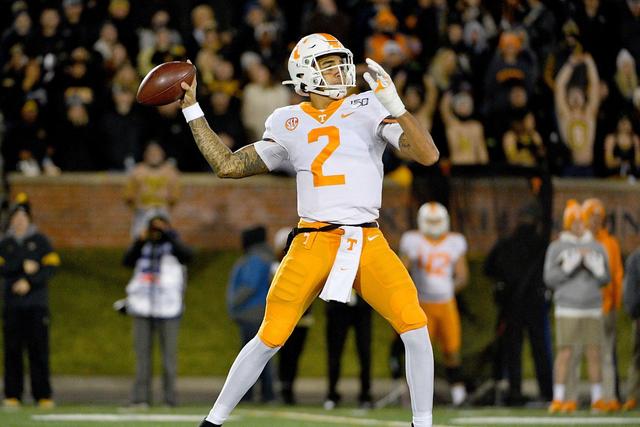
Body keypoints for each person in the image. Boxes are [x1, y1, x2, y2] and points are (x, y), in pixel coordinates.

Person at [180, 32, 439, 427]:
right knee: (270, 336)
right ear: (304, 73)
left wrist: (398, 107)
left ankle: (423, 424)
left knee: (415, 327)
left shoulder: (368, 106)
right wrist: (192, 109)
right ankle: (212, 422)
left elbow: (427, 154)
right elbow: (228, 165)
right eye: (327, 64)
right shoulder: (287, 121)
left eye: (340, 62)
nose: (339, 71)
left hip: (366, 238)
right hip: (312, 238)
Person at [399, 202, 468, 406]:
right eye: (430, 221)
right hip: (422, 304)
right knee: (418, 351)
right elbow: (402, 272)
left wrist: (446, 289)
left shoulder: (454, 242)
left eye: (437, 221)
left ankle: (459, 395)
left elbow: (463, 276)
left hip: (446, 303)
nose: (434, 225)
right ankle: (412, 395)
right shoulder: (413, 241)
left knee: (452, 351)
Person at [544, 200, 610, 413]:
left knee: (594, 352)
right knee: (565, 353)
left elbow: (606, 278)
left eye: (582, 221)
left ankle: (597, 398)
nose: (580, 226)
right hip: (567, 307)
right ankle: (559, 398)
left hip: (592, 307)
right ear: (568, 223)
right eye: (576, 222)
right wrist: (567, 268)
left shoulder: (596, 246)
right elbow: (549, 279)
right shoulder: (557, 247)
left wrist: (597, 269)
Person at [484, 202, 553, 404]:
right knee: (540, 348)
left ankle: (515, 391)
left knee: (513, 350)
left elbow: (488, 268)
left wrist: (504, 282)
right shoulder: (541, 245)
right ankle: (547, 391)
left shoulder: (506, 243)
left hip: (511, 303)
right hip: (535, 303)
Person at [122, 211, 192, 407]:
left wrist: (168, 235)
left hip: (169, 308)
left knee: (169, 357)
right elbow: (126, 261)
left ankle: (169, 399)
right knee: (142, 356)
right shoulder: (143, 245)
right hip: (142, 306)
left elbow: (188, 256)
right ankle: (140, 398)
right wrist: (140, 240)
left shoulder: (174, 245)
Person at [1, 196, 60, 408]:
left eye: (23, 217)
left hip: (36, 305)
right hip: (12, 305)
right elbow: (4, 267)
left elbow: (52, 267)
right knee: (12, 351)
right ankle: (12, 394)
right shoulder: (5, 243)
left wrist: (30, 280)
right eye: (16, 217)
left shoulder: (41, 241)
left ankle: (42, 394)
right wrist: (22, 266)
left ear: (29, 219)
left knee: (38, 351)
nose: (19, 221)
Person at [566, 198, 623, 411]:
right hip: (579, 306)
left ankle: (607, 397)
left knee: (605, 354)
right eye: (592, 216)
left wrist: (616, 302)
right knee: (574, 352)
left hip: (603, 306)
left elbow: (616, 276)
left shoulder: (610, 243)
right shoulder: (575, 242)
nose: (596, 221)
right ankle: (569, 398)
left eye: (599, 217)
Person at [227, 226, 275, 403]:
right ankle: (265, 393)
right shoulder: (264, 257)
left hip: (252, 312)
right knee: (259, 355)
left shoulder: (255, 259)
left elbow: (249, 285)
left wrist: (234, 302)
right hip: (258, 312)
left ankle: (253, 394)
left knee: (252, 357)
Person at [271, 227, 313, 405]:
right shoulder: (277, 267)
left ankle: (288, 389)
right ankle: (283, 389)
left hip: (302, 319)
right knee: (284, 355)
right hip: (284, 319)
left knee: (294, 356)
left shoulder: (305, 265)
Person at [324, 291, 372, 410]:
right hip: (337, 306)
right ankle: (332, 394)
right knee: (334, 353)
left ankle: (365, 395)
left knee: (365, 352)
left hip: (362, 307)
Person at [123, 142, 181, 239]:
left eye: (157, 152)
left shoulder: (170, 172)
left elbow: (174, 197)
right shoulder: (137, 171)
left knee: (165, 239)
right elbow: (129, 196)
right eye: (151, 153)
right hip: (142, 212)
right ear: (145, 154)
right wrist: (139, 207)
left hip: (162, 212)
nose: (154, 155)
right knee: (139, 238)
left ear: (162, 154)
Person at [623, 245, 640, 410]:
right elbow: (631, 290)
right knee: (637, 358)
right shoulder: (636, 258)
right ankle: (631, 396)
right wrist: (634, 312)